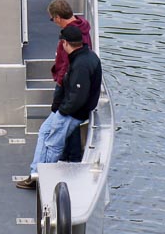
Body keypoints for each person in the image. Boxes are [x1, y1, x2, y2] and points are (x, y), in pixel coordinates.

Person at [16, 25, 102, 189]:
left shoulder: (81, 64)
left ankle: (43, 179)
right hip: (65, 110)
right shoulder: (85, 57)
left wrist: (62, 111)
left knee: (53, 144)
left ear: (65, 43)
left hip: (71, 113)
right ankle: (35, 174)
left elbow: (78, 96)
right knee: (44, 132)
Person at [47, 0, 91, 162]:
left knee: (64, 118)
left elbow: (66, 62)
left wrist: (60, 82)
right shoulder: (83, 27)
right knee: (70, 119)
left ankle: (70, 157)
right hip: (75, 83)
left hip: (68, 84)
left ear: (58, 17)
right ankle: (71, 155)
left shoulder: (69, 36)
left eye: (53, 19)